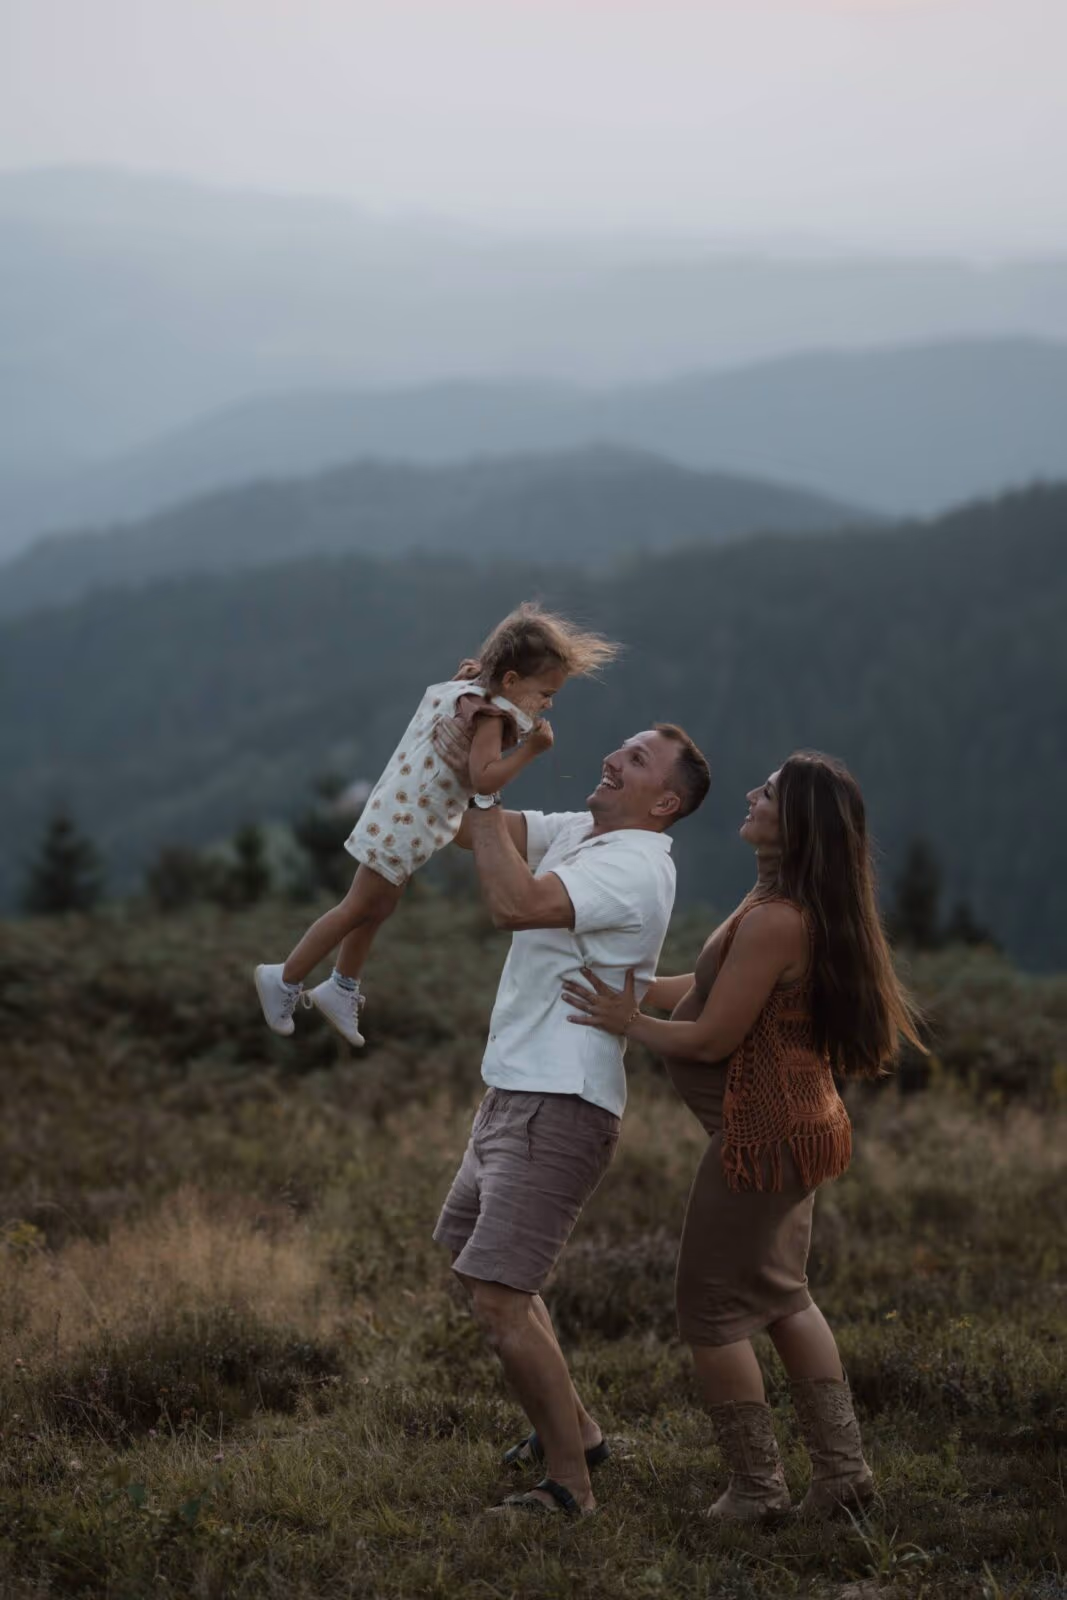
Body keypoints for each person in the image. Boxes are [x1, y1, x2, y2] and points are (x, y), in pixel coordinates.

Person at [563, 750, 924, 1521]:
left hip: (758, 1139)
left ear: (793, 827)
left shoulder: (774, 920)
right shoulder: (777, 905)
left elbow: (710, 1038)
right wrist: (629, 988)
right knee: (784, 1298)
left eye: (769, 792)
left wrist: (631, 1024)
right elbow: (705, 990)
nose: (753, 794)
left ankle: (757, 1489)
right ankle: (842, 1475)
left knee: (711, 1314)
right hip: (800, 1130)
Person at [431, 711, 710, 1515]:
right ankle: (578, 1433)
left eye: (636, 760)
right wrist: (471, 733)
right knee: (478, 1268)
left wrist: (484, 803)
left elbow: (513, 904)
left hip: (559, 1103)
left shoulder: (632, 865)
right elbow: (466, 827)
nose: (612, 761)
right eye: (621, 749)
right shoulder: (582, 832)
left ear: (664, 804)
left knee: (498, 1296)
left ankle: (569, 1488)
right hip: (516, 1088)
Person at [253, 603, 618, 1046]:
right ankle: (284, 978)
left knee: (376, 907)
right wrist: (529, 752)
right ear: (510, 681)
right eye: (544, 693)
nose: (548, 704)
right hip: (404, 825)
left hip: (399, 816)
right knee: (356, 907)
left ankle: (341, 987)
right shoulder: (492, 718)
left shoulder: (463, 688)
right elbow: (483, 779)